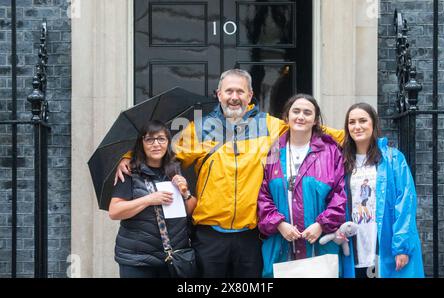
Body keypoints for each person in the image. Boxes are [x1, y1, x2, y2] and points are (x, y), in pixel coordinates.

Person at [116, 69, 289, 277]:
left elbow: (308, 132)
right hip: (209, 234)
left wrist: (340, 142)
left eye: (240, 92)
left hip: (250, 235)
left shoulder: (269, 125)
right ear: (219, 94)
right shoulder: (199, 128)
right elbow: (164, 152)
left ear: (250, 95)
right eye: (229, 91)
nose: (234, 97)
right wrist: (127, 156)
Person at [257, 94, 353, 278]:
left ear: (315, 120)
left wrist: (321, 224)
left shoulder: (331, 152)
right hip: (281, 246)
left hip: (319, 246)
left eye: (307, 113)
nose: (301, 116)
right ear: (287, 116)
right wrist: (279, 223)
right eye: (296, 111)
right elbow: (264, 195)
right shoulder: (274, 152)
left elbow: (340, 194)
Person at [343, 102, 424, 278]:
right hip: (353, 246)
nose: (357, 126)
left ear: (373, 124)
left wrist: (401, 247)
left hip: (385, 243)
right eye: (352, 122)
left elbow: (405, 202)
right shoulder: (342, 161)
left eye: (363, 120)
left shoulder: (393, 158)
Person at [109, 120, 197, 278]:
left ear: (168, 142)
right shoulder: (129, 172)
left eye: (161, 139)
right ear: (141, 143)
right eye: (150, 139)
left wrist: (185, 193)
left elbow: (190, 211)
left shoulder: (175, 171)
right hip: (137, 260)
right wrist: (149, 199)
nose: (156, 144)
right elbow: (114, 212)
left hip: (172, 257)